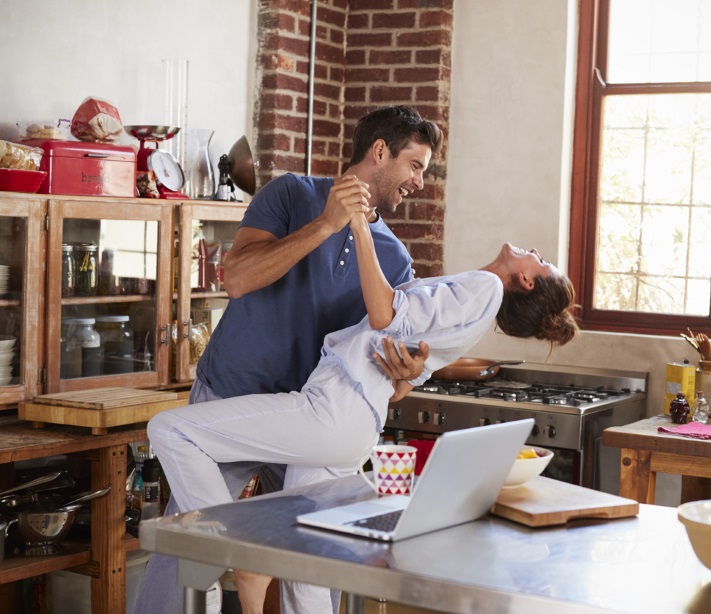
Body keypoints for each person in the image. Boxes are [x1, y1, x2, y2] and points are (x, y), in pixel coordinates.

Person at [148, 213, 580, 612]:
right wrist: (408, 371)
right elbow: (401, 383)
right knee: (308, 570)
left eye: (542, 262)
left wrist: (358, 227)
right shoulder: (477, 302)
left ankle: (236, 552)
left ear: (525, 280)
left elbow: (384, 312)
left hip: (333, 408)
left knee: (171, 429)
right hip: (355, 422)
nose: (535, 253)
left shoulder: (484, 289)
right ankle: (241, 556)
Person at [134, 105, 443, 614]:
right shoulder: (291, 193)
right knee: (190, 541)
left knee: (316, 551)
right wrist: (325, 225)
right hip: (234, 392)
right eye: (415, 166)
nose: (419, 182)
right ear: (380, 151)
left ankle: (251, 566)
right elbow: (237, 278)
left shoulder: (394, 259)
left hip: (306, 415)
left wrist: (407, 375)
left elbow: (381, 362)